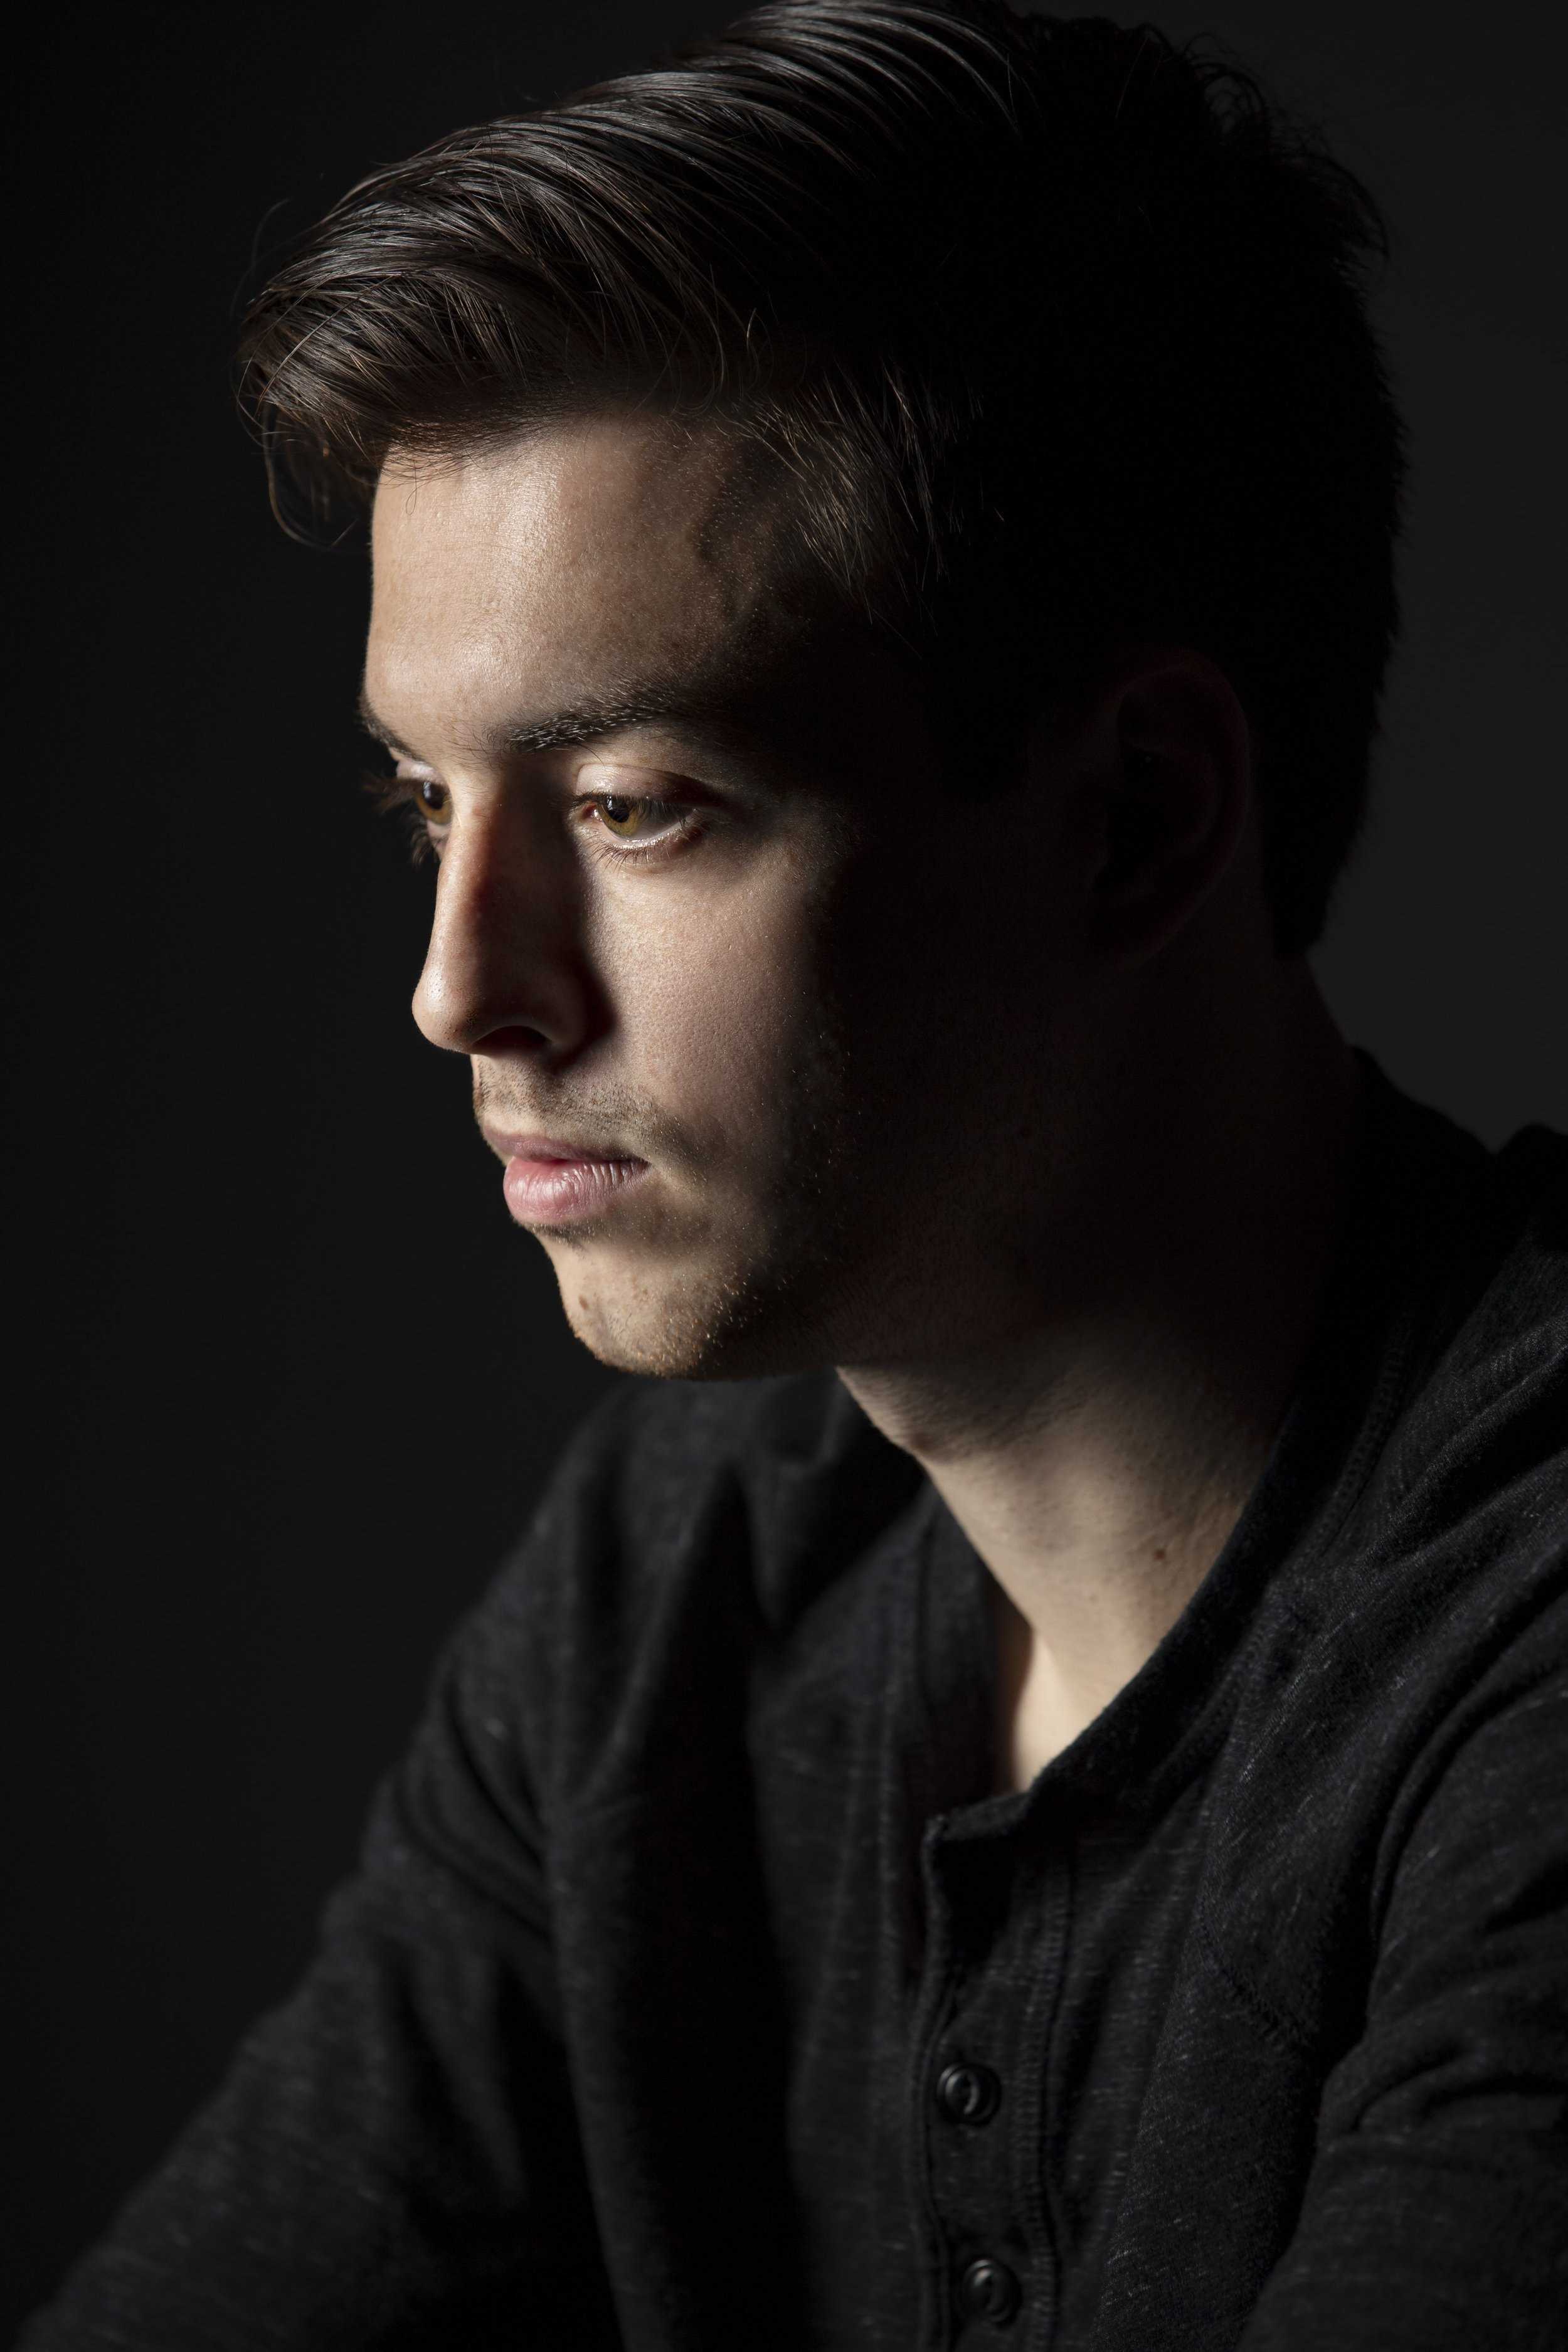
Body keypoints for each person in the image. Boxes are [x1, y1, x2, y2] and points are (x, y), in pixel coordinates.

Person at [26, 4, 1565, 2346]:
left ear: (1135, 817)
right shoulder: (679, 1588)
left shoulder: (1518, 1651)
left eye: (637, 804)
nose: (461, 992)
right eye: (426, 809)